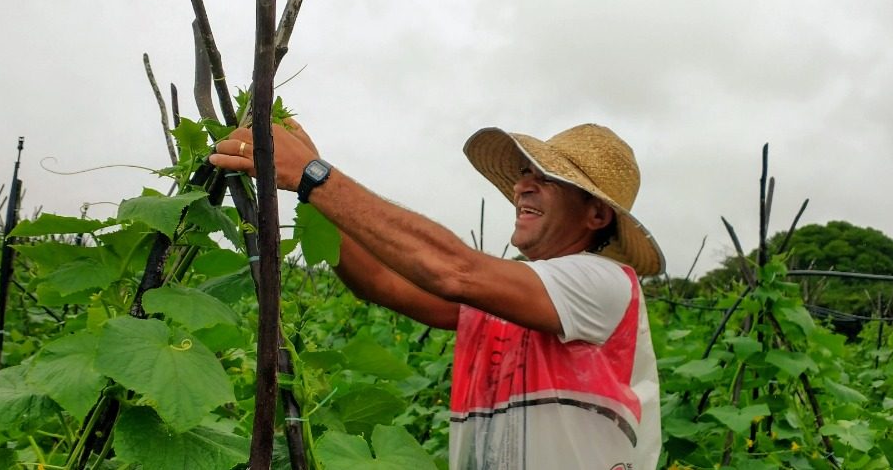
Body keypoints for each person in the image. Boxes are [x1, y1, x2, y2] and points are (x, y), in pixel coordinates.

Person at [210, 119, 664, 470]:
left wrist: (311, 174)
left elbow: (452, 270)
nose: (522, 185)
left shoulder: (604, 282)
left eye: (547, 179)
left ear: (597, 215)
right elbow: (382, 284)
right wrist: (309, 188)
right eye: (525, 173)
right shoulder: (513, 298)